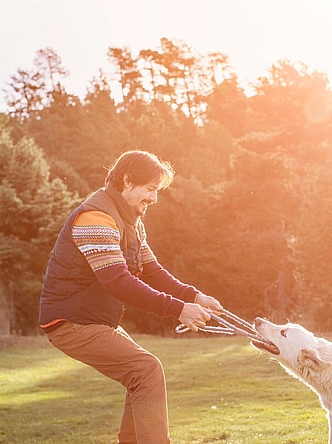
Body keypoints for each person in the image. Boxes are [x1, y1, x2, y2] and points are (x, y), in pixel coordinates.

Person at [39, 150, 223, 443]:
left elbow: (151, 270)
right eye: (150, 189)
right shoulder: (95, 217)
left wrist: (195, 296)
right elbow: (119, 283)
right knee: (146, 369)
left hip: (94, 321)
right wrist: (178, 309)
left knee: (141, 376)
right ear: (127, 181)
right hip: (71, 322)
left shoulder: (132, 221)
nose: (154, 199)